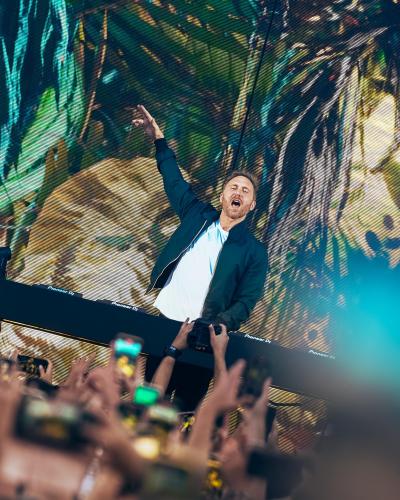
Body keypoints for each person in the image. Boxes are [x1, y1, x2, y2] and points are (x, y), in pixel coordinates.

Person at [133, 105, 268, 410]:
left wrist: (215, 325)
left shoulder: (254, 251)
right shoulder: (197, 215)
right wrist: (159, 140)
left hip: (203, 339)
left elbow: (246, 301)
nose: (238, 192)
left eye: (245, 191)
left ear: (251, 205)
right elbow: (173, 181)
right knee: (148, 398)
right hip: (168, 322)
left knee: (183, 410)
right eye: (233, 187)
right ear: (222, 195)